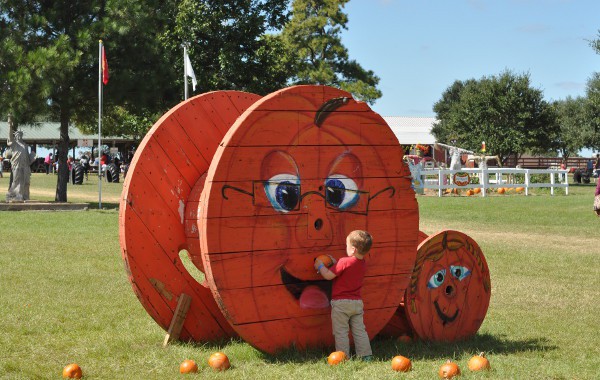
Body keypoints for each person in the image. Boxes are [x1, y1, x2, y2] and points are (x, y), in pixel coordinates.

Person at [314, 230, 373, 361]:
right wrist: (336, 263)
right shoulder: (362, 264)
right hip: (356, 303)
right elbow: (347, 269)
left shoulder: (344, 262)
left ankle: (342, 356)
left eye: (346, 246)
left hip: (341, 304)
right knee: (359, 331)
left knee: (341, 332)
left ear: (352, 249)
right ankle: (366, 355)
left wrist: (320, 266)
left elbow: (329, 275)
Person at [5, 130, 36, 201]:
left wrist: (32, 157)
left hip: (25, 165)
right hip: (16, 165)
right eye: (17, 135)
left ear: (22, 136)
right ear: (15, 136)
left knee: (26, 181)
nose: (18, 136)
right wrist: (10, 126)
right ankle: (12, 196)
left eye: (20, 135)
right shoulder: (14, 144)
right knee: (16, 181)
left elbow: (27, 156)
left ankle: (24, 196)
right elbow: (10, 136)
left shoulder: (25, 145)